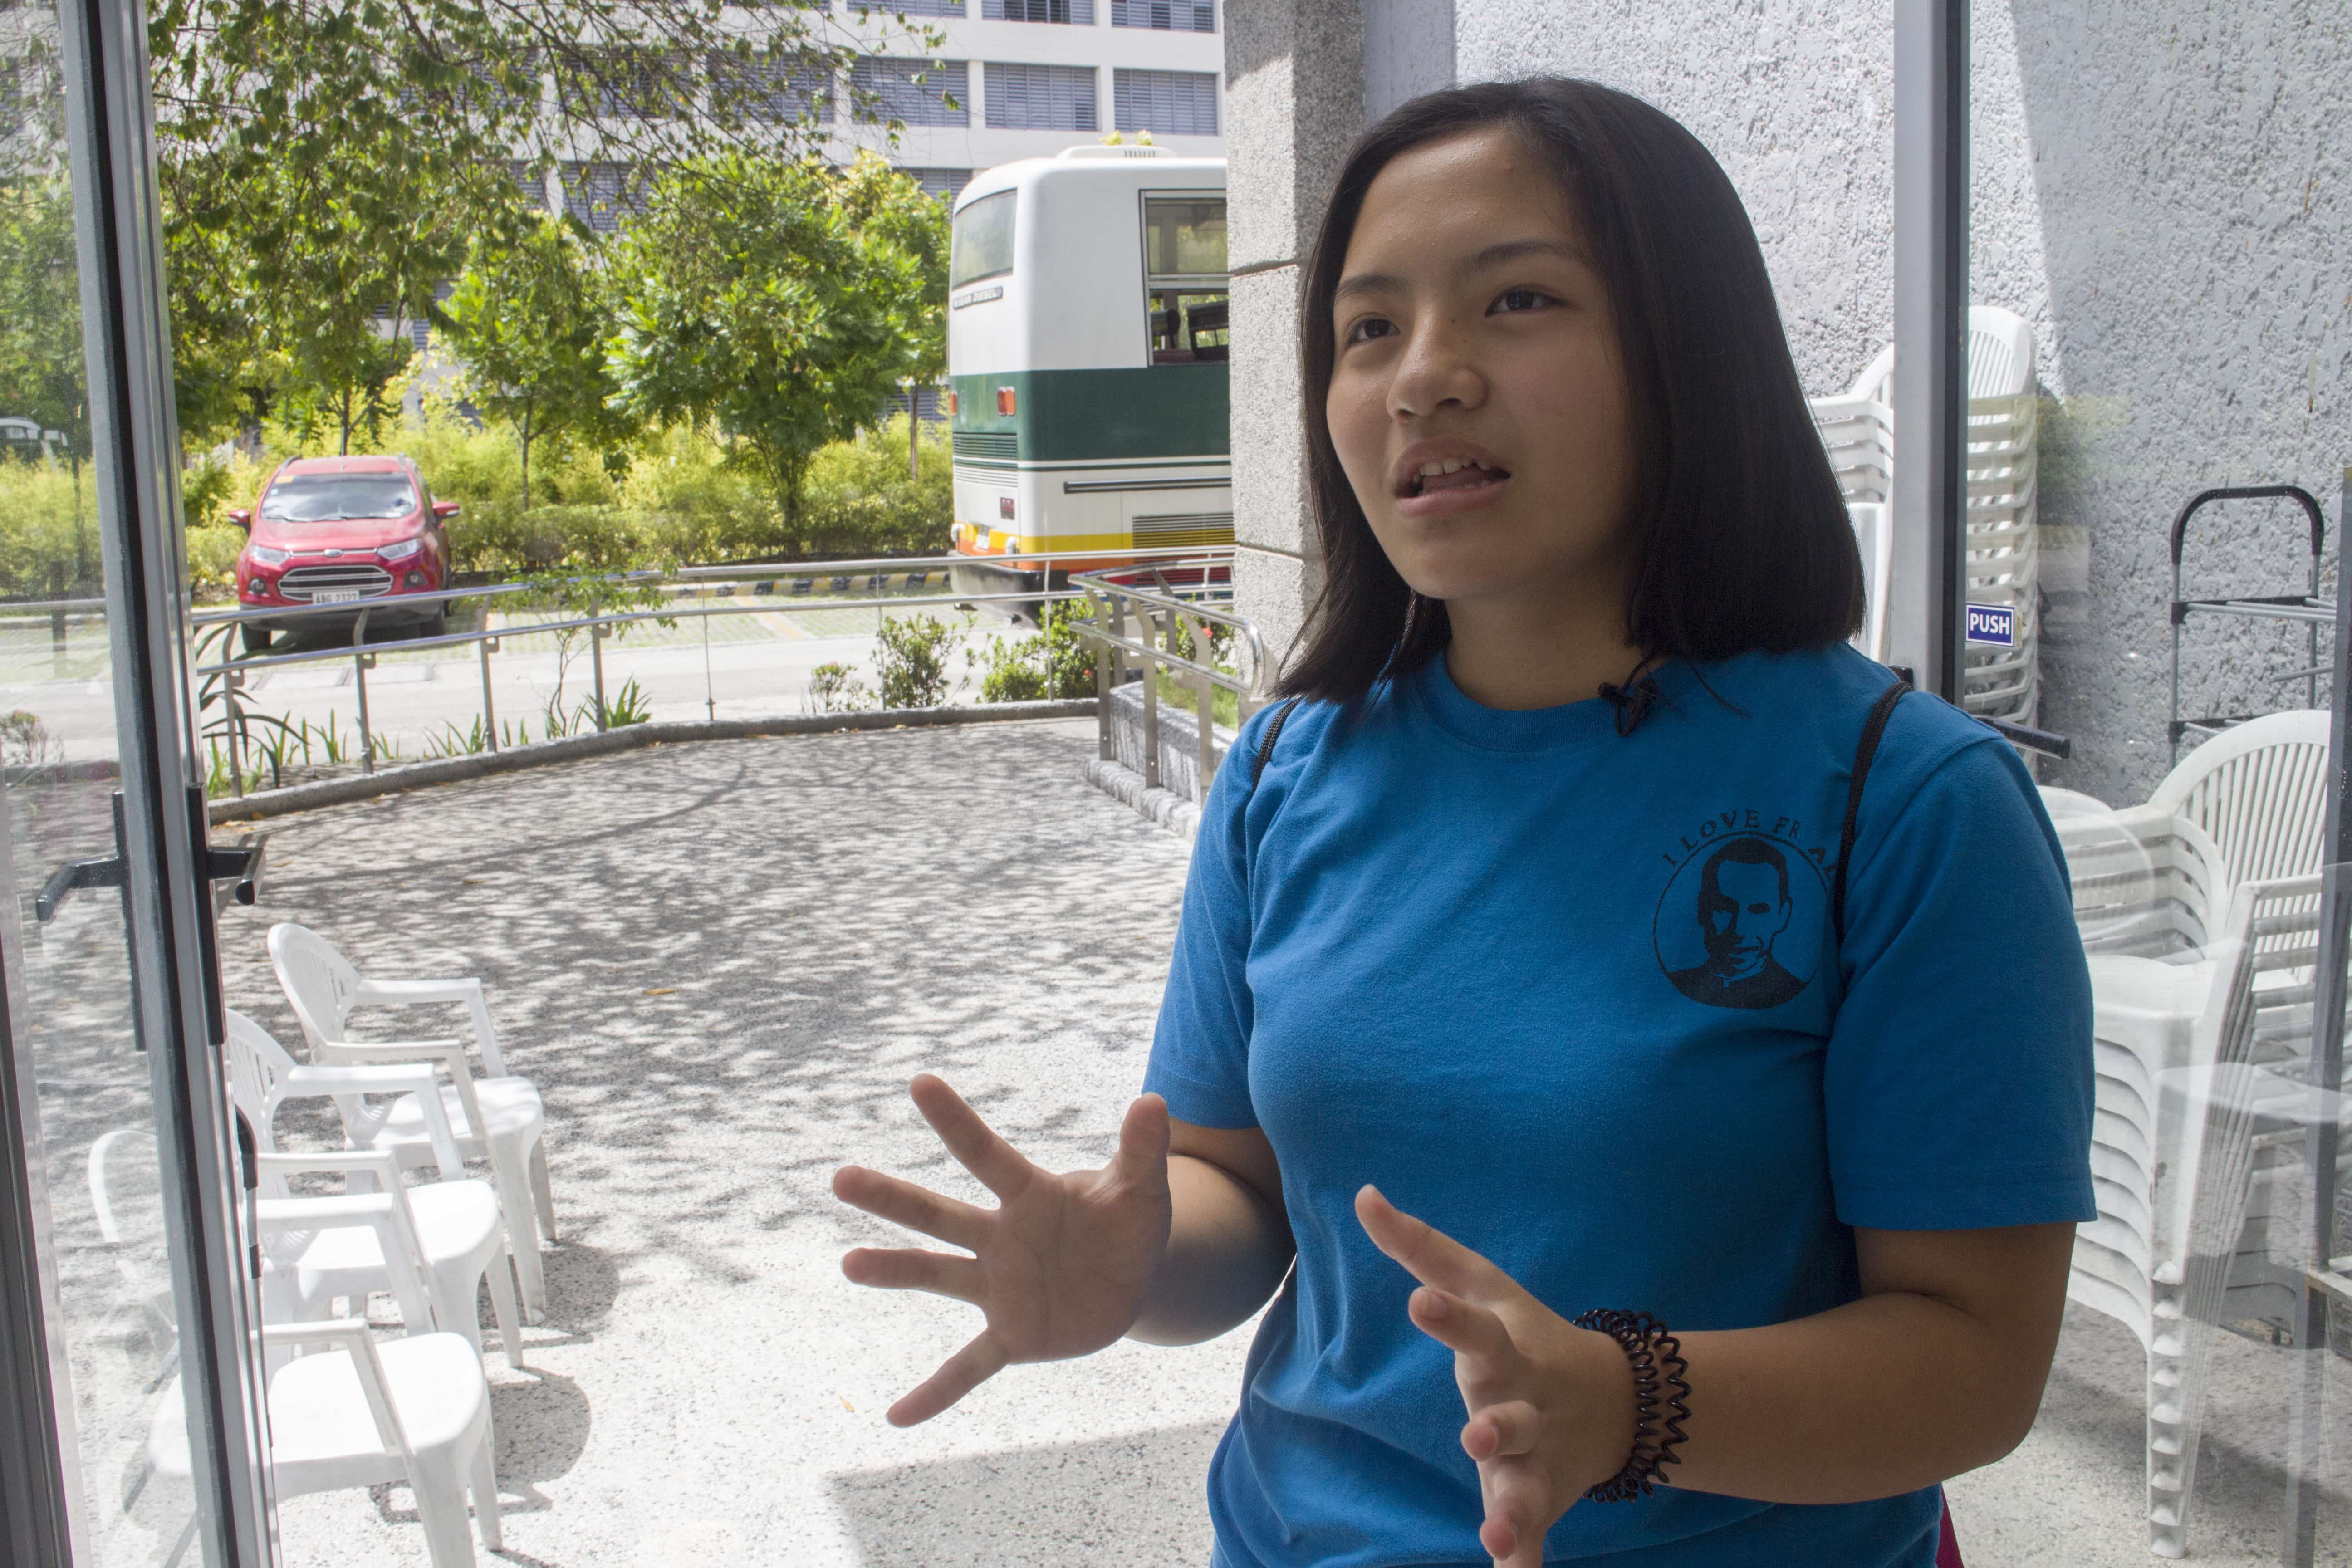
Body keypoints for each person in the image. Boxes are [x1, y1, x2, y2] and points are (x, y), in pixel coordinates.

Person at [834, 77, 2092, 1568]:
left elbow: (1971, 1359)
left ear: (1686, 350)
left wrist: (1626, 1402)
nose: (1422, 376)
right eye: (1368, 327)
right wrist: (1138, 1260)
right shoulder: (1287, 770)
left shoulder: (1903, 800)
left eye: (1517, 300)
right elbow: (1237, 1187)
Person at [1665, 837, 1808, 1010]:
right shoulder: (1674, 983)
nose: (1739, 930)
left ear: (1783, 915)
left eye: (1758, 911)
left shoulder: (1795, 990)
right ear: (1703, 909)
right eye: (1724, 908)